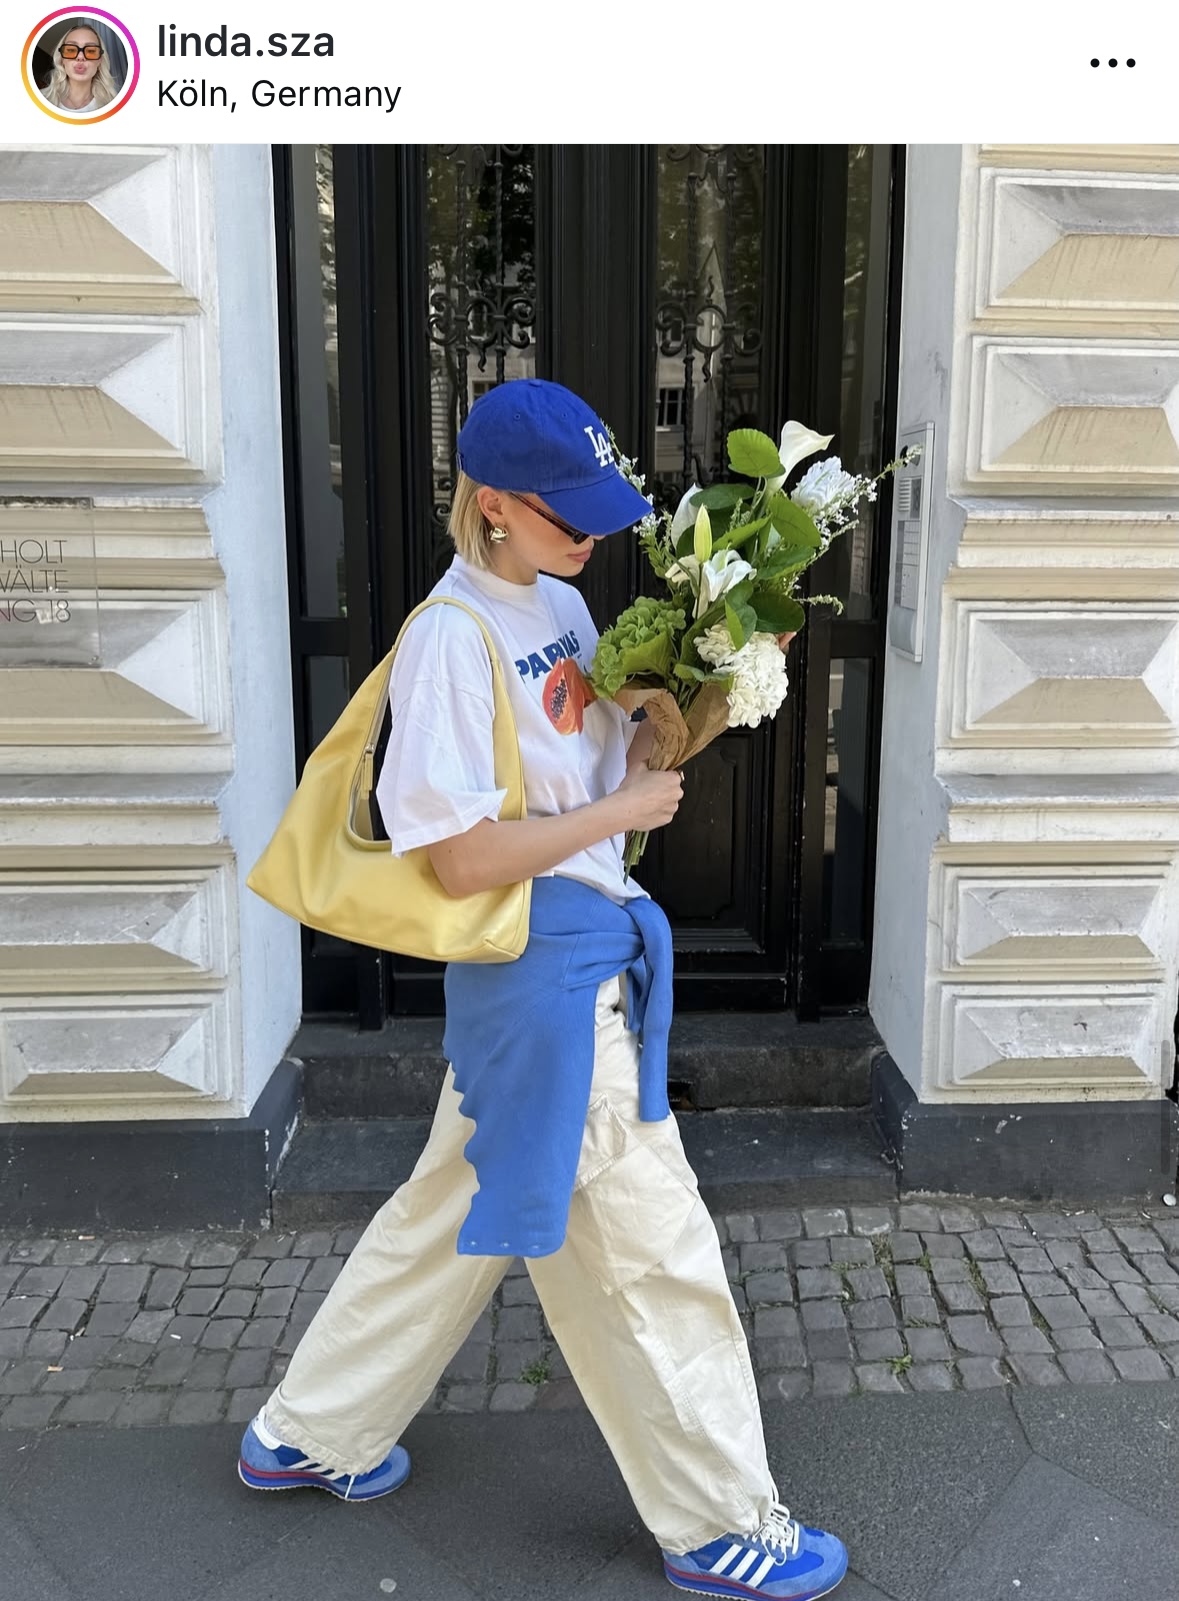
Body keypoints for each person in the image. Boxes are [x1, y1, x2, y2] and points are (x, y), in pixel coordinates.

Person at [237, 378, 848, 1601]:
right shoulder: (450, 639)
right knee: (647, 1252)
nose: (593, 536)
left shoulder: (558, 603)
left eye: (600, 512)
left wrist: (699, 696)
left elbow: (593, 764)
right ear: (497, 506)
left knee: (449, 1211)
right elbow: (455, 854)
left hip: (557, 957)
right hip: (548, 975)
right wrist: (621, 812)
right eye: (569, 515)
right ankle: (718, 1518)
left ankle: (305, 1430)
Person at [40, 20, 118, 114]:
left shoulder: (115, 105)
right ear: (62, 59)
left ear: (99, 61)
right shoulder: (39, 100)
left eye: (91, 51)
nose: (80, 57)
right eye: (71, 50)